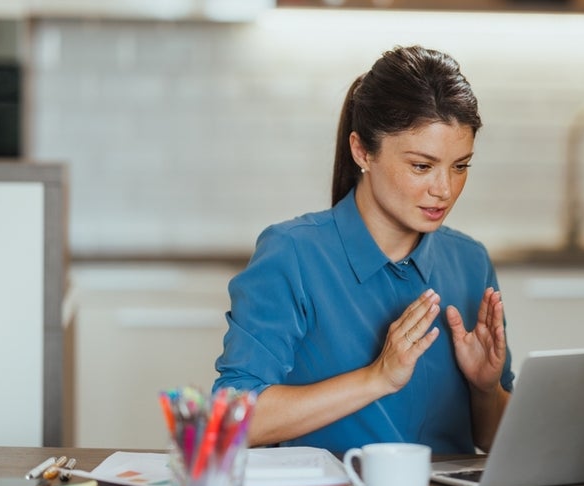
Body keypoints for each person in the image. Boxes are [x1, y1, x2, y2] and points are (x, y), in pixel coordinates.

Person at [212, 45, 513, 454]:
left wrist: (486, 389)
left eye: (460, 166)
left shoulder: (470, 262)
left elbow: (493, 439)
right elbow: (231, 422)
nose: (444, 189)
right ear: (362, 151)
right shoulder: (293, 254)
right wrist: (377, 378)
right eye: (422, 166)